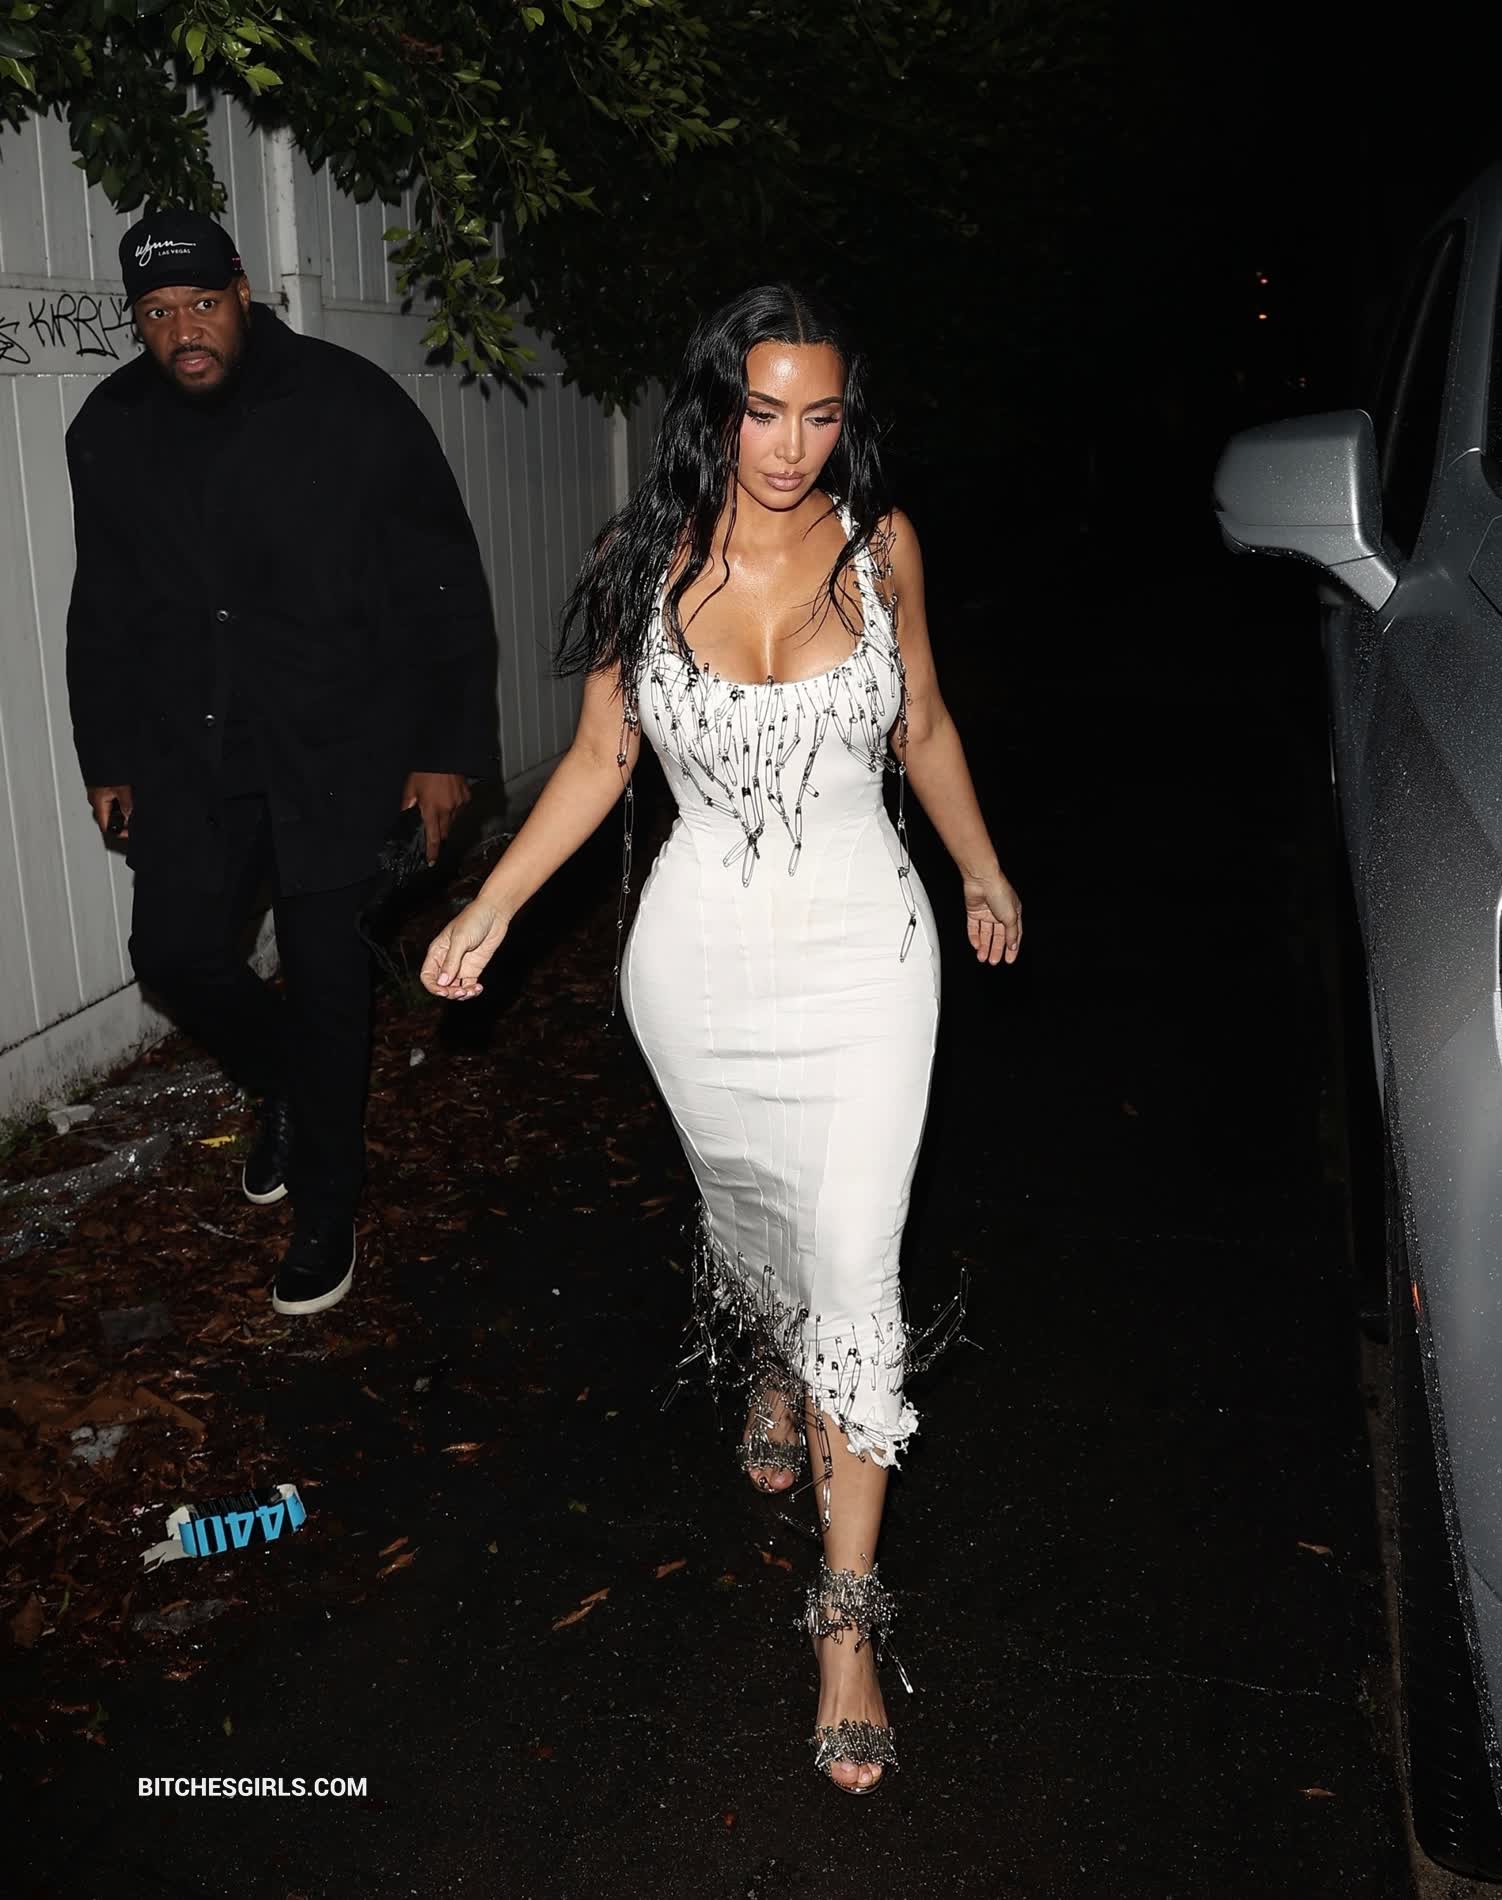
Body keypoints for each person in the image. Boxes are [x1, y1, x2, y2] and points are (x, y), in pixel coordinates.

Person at [419, 284, 1020, 1792]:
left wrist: (978, 867)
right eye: (763, 412)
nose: (791, 446)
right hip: (696, 972)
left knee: (857, 1267)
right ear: (716, 410)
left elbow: (923, 725)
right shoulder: (640, 559)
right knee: (752, 1214)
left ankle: (843, 1623)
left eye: (820, 414)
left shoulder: (880, 549)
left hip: (867, 960)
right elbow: (598, 757)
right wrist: (492, 903)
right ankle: (768, 1350)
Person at [65, 208, 498, 1318]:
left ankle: (325, 1206)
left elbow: (442, 579)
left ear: (244, 293)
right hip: (190, 749)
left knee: (328, 978)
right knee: (173, 953)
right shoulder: (108, 428)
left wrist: (445, 749)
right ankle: (285, 1085)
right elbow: (102, 605)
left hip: (338, 746)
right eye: (158, 314)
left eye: (202, 304)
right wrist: (107, 752)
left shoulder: (350, 403)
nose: (184, 332)